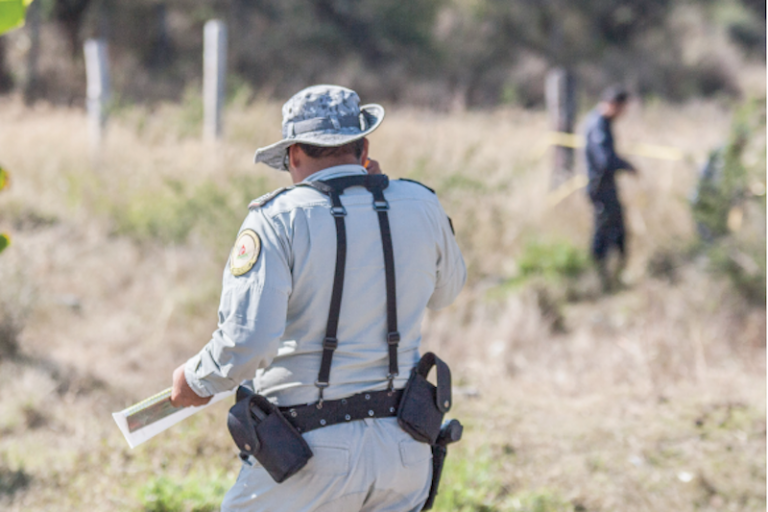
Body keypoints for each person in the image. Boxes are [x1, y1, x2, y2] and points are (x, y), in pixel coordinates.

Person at [169, 84, 467, 512]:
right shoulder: (421, 203)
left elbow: (248, 340)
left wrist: (195, 380)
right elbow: (446, 293)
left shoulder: (276, 219)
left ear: (292, 155)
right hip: (405, 447)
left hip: (306, 454)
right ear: (363, 146)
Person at [584, 86, 638, 291]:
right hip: (601, 189)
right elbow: (604, 161)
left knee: (617, 232)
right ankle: (599, 279)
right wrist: (626, 165)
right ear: (614, 105)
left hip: (606, 187)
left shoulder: (603, 123)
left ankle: (615, 275)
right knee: (603, 233)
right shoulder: (598, 125)